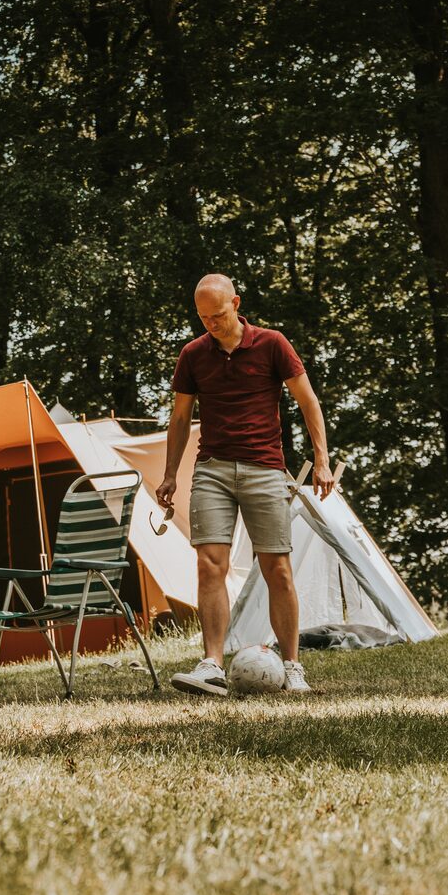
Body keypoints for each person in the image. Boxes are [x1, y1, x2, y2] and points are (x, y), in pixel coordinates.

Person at [156, 275, 334, 696]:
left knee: (278, 569)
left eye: (217, 315)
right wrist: (168, 473)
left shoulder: (272, 344)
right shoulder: (193, 355)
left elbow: (308, 401)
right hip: (212, 470)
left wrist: (322, 460)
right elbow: (180, 419)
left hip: (265, 469)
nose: (211, 325)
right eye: (203, 318)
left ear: (236, 303)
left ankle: (292, 667)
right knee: (209, 565)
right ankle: (211, 664)